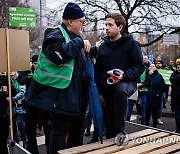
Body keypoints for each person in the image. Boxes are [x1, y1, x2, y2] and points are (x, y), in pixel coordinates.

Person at [26, 2, 96, 154]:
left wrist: (94, 50)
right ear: (70, 21)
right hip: (61, 98)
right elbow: (58, 55)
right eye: (81, 21)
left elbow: (78, 65)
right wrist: (79, 42)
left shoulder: (76, 37)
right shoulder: (54, 34)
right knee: (58, 136)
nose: (83, 24)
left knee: (76, 138)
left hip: (77, 99)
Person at [94, 13, 144, 142]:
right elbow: (97, 71)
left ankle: (121, 131)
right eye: (105, 24)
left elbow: (139, 66)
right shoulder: (103, 47)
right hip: (107, 89)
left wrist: (124, 75)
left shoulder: (132, 44)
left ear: (120, 27)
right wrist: (99, 92)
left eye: (110, 25)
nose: (106, 28)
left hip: (127, 83)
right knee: (110, 128)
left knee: (120, 91)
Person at [17, 55, 51, 154]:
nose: (37, 66)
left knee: (49, 134)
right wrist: (27, 71)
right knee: (30, 134)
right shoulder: (29, 74)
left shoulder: (46, 72)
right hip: (32, 107)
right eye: (35, 64)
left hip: (45, 108)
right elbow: (20, 80)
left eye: (38, 63)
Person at [146, 64, 165, 128]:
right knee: (147, 111)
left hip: (155, 95)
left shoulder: (159, 76)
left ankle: (154, 125)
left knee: (155, 111)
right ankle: (146, 124)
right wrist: (148, 75)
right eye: (150, 66)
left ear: (155, 68)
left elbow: (163, 85)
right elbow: (145, 82)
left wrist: (158, 93)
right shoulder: (147, 75)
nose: (151, 67)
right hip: (148, 95)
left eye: (153, 66)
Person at [170, 62, 180, 133]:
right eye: (178, 67)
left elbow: (173, 79)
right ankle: (178, 129)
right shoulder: (174, 74)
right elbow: (171, 79)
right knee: (177, 115)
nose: (178, 69)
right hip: (175, 97)